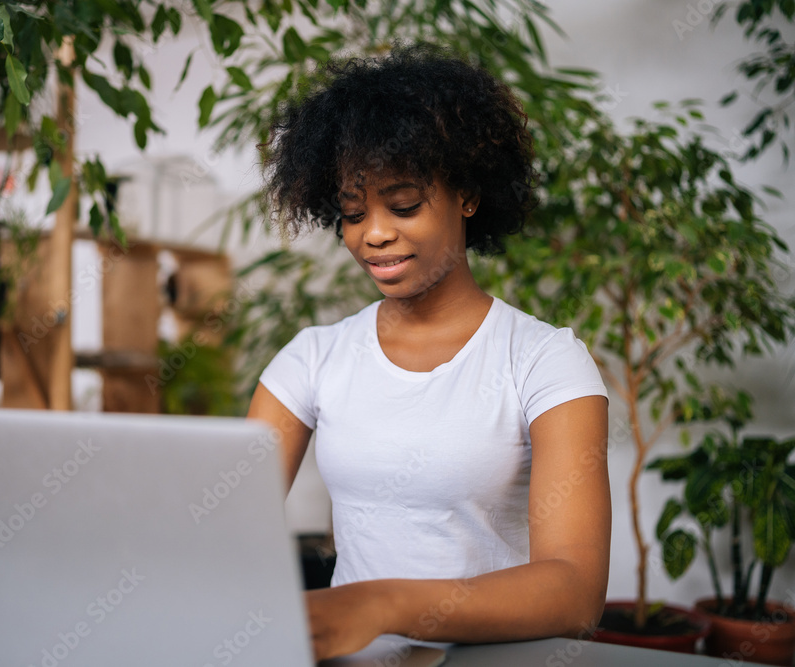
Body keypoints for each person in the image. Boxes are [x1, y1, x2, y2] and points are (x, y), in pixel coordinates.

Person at [246, 43, 611, 661]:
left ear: (467, 195)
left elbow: (575, 592)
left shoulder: (546, 362)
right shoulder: (312, 358)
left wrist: (381, 604)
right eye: (353, 213)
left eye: (404, 204)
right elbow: (221, 524)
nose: (374, 234)